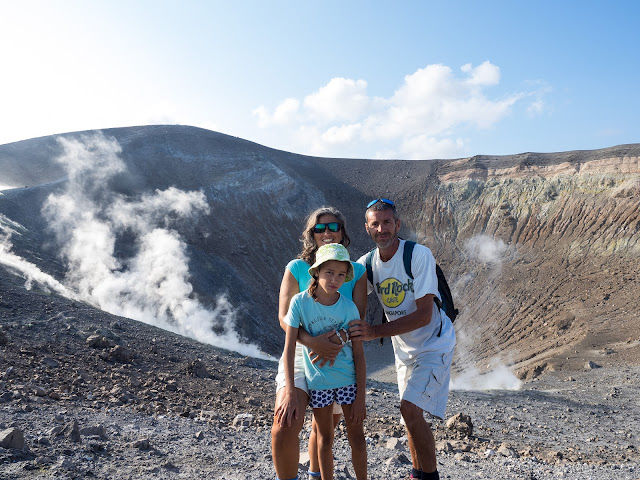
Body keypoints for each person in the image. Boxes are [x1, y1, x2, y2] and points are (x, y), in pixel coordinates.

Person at [349, 199, 456, 480]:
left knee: (409, 408)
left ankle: (429, 477)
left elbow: (423, 315)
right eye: (375, 223)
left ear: (397, 224)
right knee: (409, 418)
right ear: (367, 228)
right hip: (404, 347)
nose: (381, 229)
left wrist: (374, 332)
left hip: (434, 341)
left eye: (387, 222)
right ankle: (416, 474)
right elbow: (342, 291)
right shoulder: (367, 264)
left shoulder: (418, 255)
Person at [271, 207, 367, 480]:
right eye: (320, 228)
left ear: (343, 232)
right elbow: (283, 318)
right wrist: (314, 342)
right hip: (303, 355)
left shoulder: (356, 272)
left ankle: (316, 475)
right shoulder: (296, 268)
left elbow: (357, 323)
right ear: (311, 233)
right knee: (285, 423)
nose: (327, 232)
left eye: (334, 227)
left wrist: (337, 341)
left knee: (324, 429)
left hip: (341, 359)